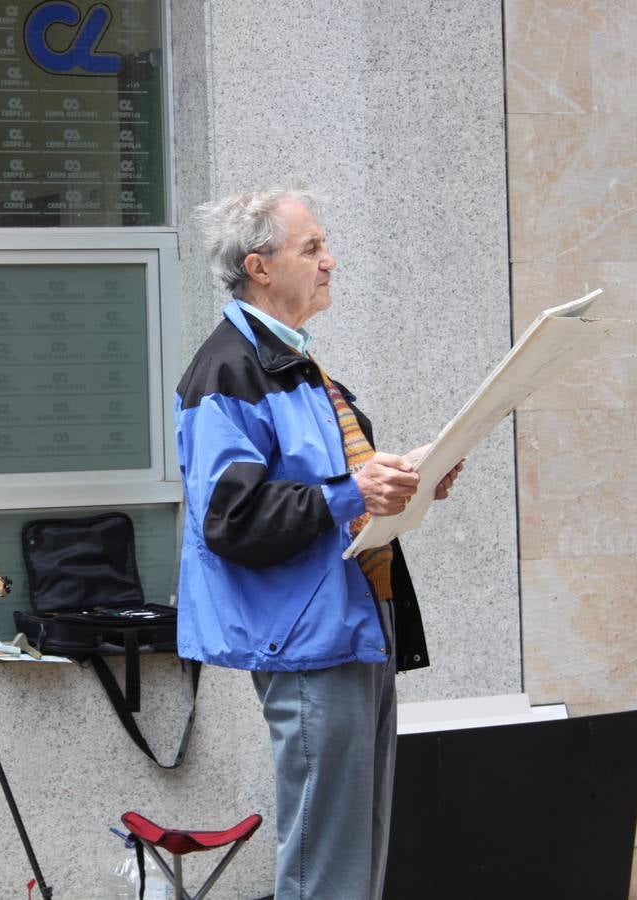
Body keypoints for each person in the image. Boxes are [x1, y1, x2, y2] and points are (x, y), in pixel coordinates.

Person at [174, 186, 461, 898]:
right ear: (259, 267)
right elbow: (232, 520)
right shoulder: (229, 372)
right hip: (306, 639)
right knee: (326, 863)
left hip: (352, 625)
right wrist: (356, 491)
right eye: (312, 248)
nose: (331, 261)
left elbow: (332, 489)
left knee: (353, 856)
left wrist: (409, 481)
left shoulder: (291, 363)